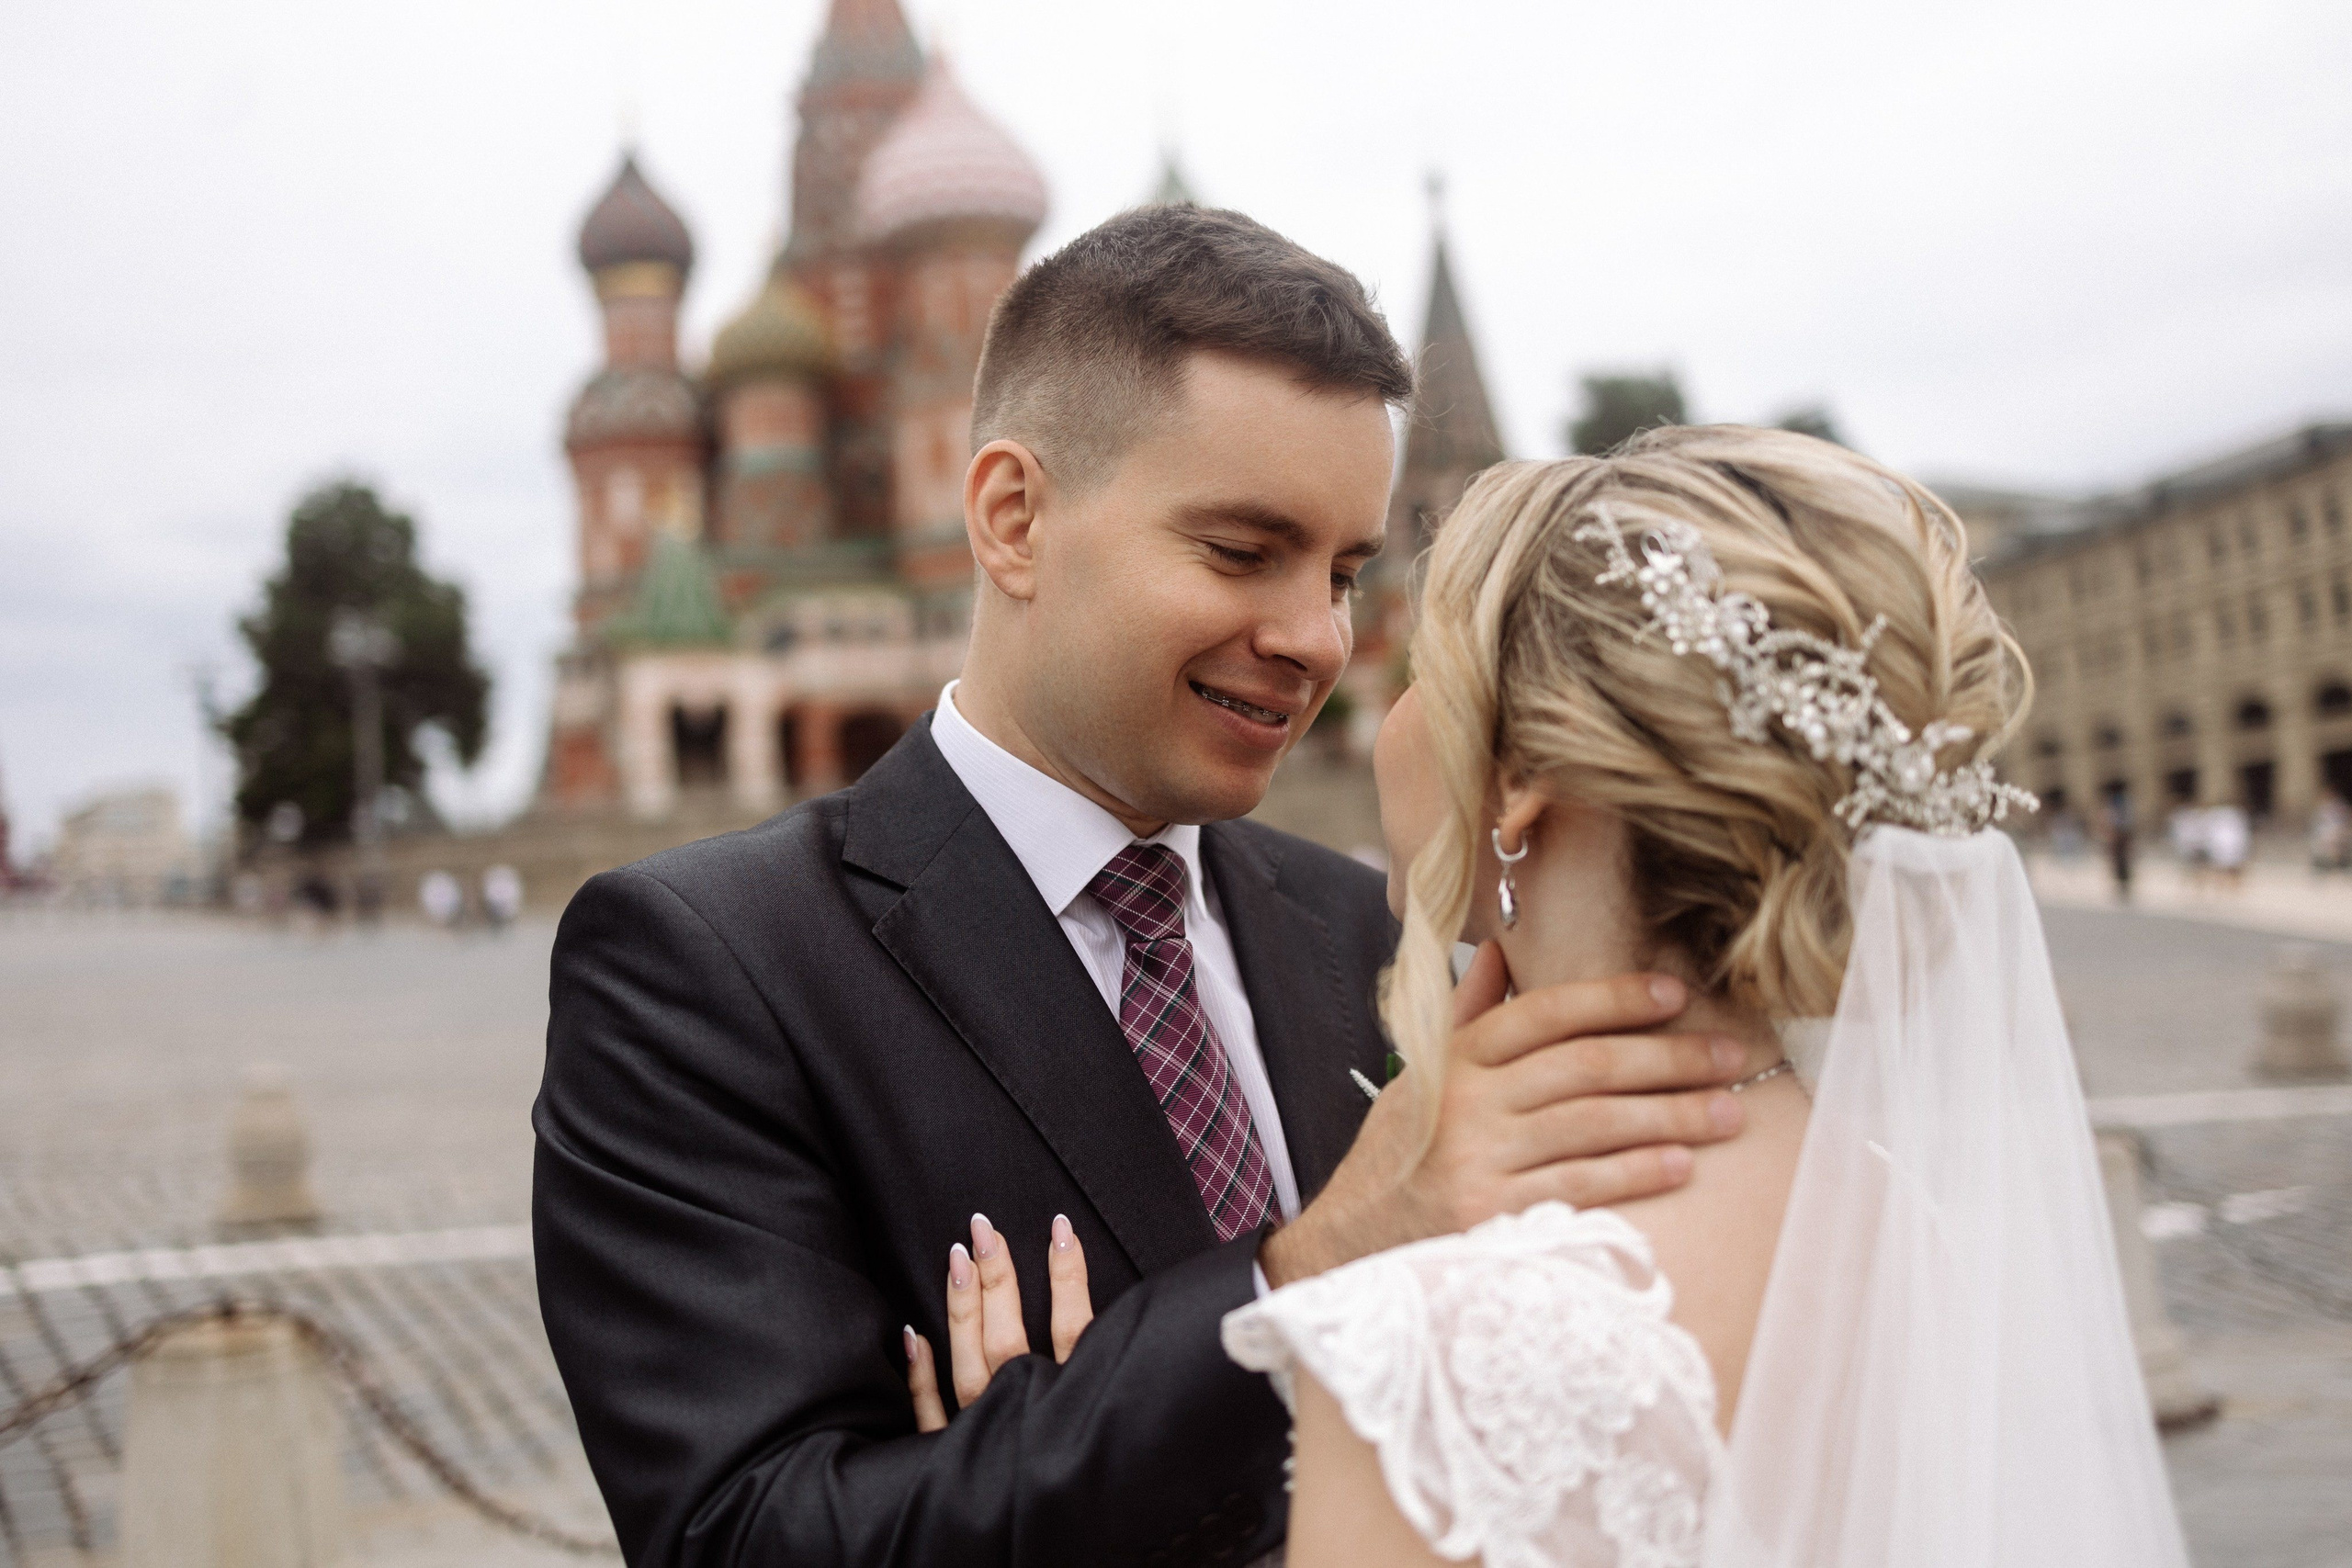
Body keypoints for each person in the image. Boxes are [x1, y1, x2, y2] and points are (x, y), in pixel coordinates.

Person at [532, 207, 1745, 1568]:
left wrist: (1028, 1440)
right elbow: (743, 1543)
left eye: (1345, 572)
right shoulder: (710, 964)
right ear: (1011, 518)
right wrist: (1303, 1270)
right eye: (1241, 552)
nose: (1316, 640)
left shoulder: (1364, 928)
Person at [934, 429, 2182, 1565]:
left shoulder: (1436, 1346)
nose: (1334, 666)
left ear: (1518, 775)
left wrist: (1071, 1498)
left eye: (1424, 666)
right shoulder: (1912, 1220)